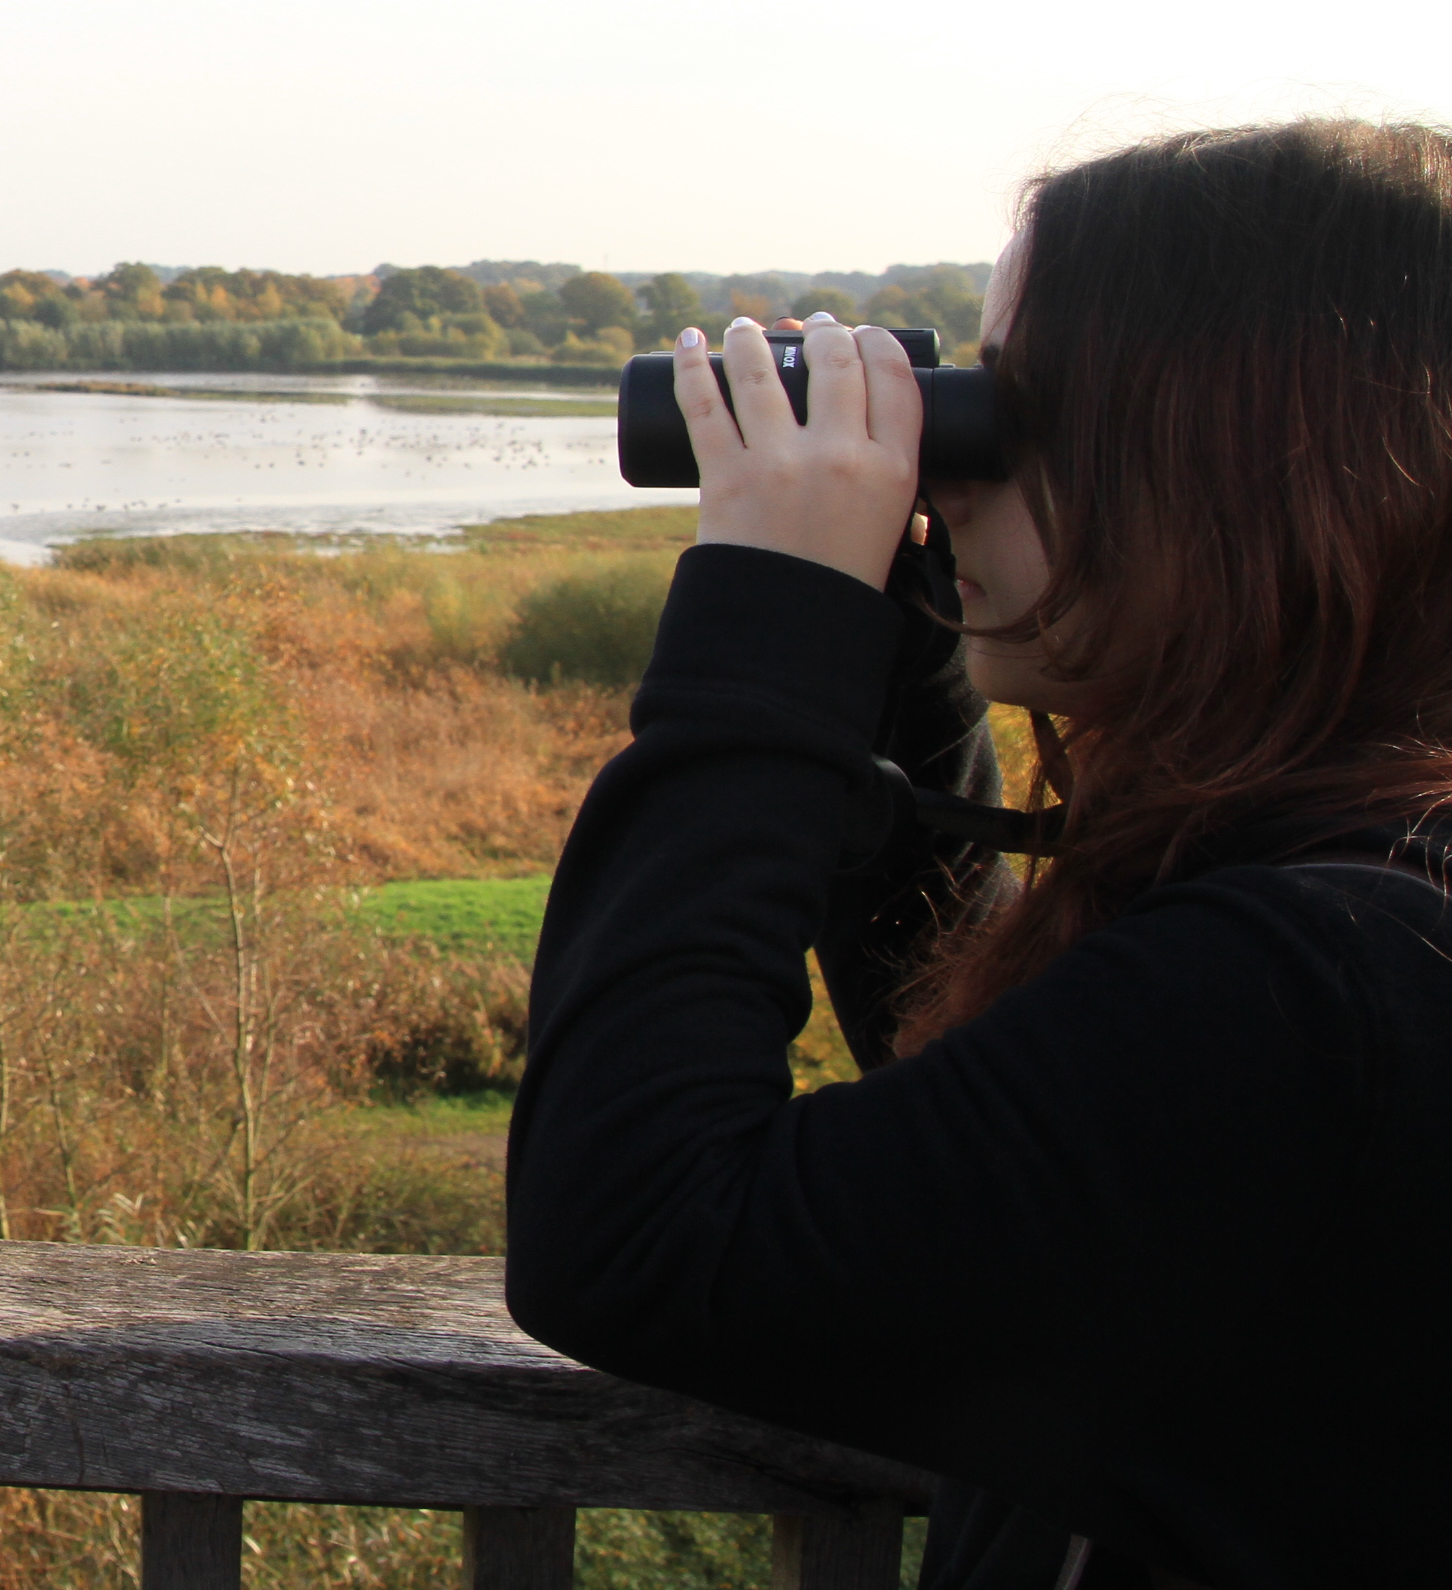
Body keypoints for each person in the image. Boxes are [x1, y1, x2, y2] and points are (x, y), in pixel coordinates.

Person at [505, 118, 1452, 1590]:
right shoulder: (1368, 901)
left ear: (1223, 459)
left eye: (1013, 411)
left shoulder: (1319, 983)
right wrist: (900, 640)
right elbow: (1023, 1114)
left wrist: (765, 630)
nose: (952, 465)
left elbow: (640, 1235)